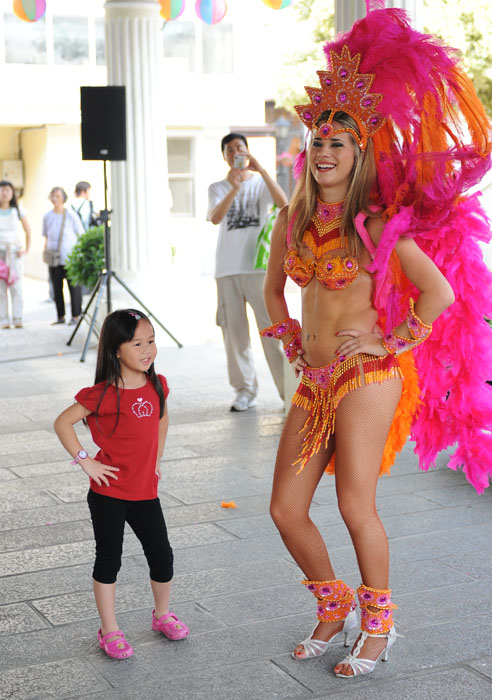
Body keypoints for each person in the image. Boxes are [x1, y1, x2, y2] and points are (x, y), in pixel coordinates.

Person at [261, 2, 492, 680]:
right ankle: (332, 603)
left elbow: (441, 294)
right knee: (285, 509)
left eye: (338, 142)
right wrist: (285, 332)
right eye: (317, 140)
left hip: (367, 377)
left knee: (352, 503)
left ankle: (379, 625)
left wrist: (391, 341)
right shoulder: (294, 218)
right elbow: (271, 288)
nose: (324, 150)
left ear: (360, 153)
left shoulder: (375, 224)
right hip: (312, 379)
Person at [54, 308, 189, 659]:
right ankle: (109, 630)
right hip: (108, 494)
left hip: (146, 492)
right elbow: (63, 423)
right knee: (108, 560)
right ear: (116, 349)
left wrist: (156, 459)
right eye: (137, 344)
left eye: (151, 342)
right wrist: (87, 462)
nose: (147, 350)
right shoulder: (102, 393)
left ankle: (162, 615)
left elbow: (161, 418)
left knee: (162, 556)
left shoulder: (158, 385)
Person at [207, 133, 288, 411]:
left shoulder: (261, 183)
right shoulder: (217, 187)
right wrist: (233, 187)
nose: (235, 153)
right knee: (235, 335)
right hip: (227, 270)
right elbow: (216, 218)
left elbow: (283, 205)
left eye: (239, 148)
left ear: (248, 152)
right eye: (229, 150)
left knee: (272, 332)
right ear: (224, 156)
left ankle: (287, 392)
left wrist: (262, 169)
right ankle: (244, 391)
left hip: (258, 269)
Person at [43, 186, 83, 325]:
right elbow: (46, 236)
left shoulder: (71, 214)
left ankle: (76, 316)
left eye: (57, 196)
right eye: (52, 195)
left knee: (74, 288)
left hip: (70, 258)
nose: (54, 198)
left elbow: (81, 234)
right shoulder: (47, 216)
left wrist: (79, 255)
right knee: (57, 288)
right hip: (53, 259)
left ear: (63, 198)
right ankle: (60, 316)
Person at [0, 180, 31, 329]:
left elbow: (28, 230)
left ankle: (18, 318)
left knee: (16, 287)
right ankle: (3, 319)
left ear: (12, 193)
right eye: (1, 190)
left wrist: (26, 249)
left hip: (14, 252)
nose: (4, 193)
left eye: (7, 190)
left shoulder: (18, 209)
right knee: (0, 288)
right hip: (0, 253)